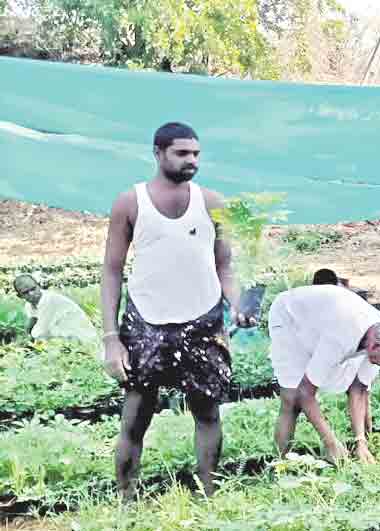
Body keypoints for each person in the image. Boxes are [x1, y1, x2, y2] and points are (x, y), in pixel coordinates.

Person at [100, 122, 252, 501]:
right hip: (146, 323)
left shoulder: (212, 203)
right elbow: (112, 271)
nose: (192, 160)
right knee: (135, 416)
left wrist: (238, 303)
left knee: (208, 412)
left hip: (203, 321)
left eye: (196, 154)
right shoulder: (130, 202)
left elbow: (224, 266)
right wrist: (111, 339)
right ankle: (126, 501)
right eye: (182, 153)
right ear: (158, 153)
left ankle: (208, 494)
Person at [268, 284, 380, 464]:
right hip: (291, 318)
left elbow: (359, 390)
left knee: (359, 391)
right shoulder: (342, 335)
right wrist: (330, 442)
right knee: (292, 399)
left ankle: (364, 451)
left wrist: (360, 441)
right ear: (375, 346)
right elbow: (305, 392)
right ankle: (279, 466)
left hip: (324, 321)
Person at [12, 274, 97, 343]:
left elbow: (39, 332)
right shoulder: (29, 305)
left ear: (39, 286)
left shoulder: (51, 300)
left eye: (33, 289)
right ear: (20, 296)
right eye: (25, 292)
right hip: (64, 340)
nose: (31, 294)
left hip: (83, 339)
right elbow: (32, 324)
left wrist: (24, 341)